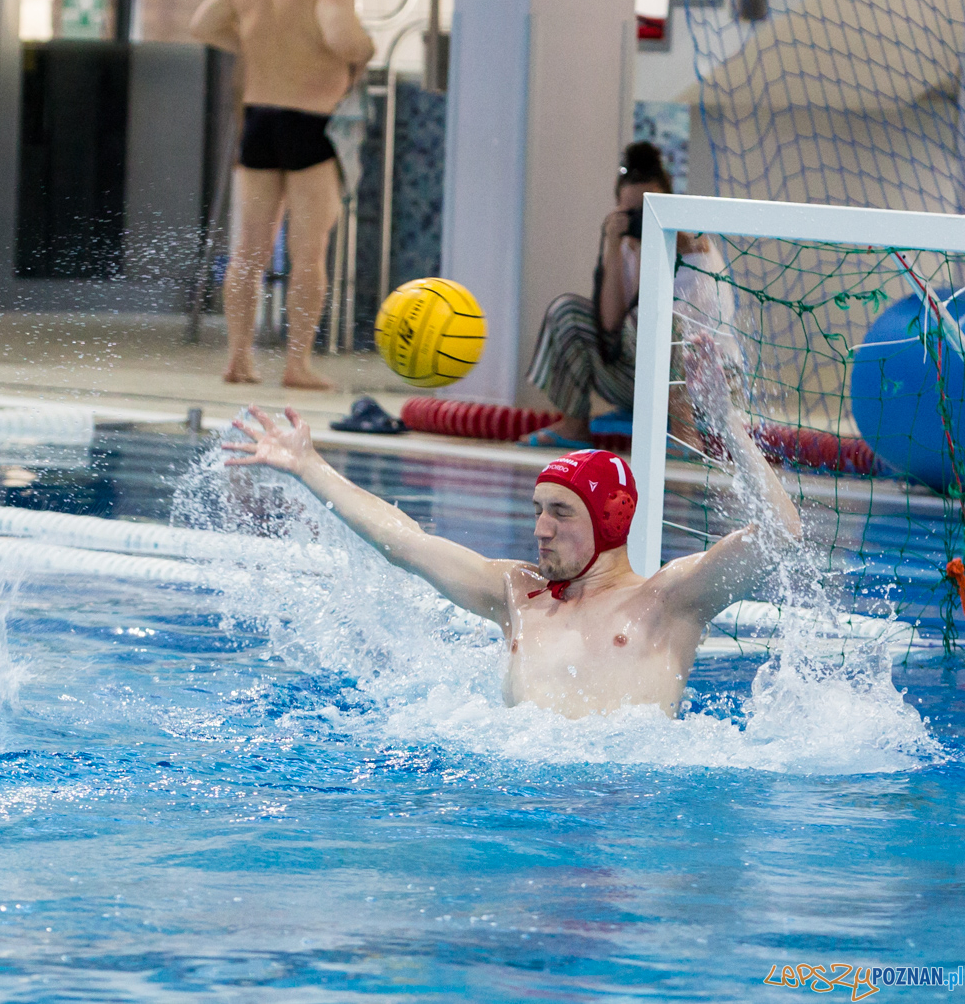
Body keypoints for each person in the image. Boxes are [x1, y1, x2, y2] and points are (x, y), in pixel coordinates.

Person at [222, 336, 801, 719]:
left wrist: (729, 425)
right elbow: (406, 542)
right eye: (537, 510)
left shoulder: (667, 602)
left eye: (561, 511)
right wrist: (309, 466)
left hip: (626, 803)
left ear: (609, 521)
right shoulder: (517, 594)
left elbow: (782, 537)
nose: (541, 529)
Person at [189, 0, 374, 391]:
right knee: (308, 251)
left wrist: (251, 43)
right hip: (308, 124)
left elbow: (202, 25)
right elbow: (347, 42)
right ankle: (297, 364)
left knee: (248, 250)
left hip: (259, 122)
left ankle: (237, 359)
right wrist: (364, 46)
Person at [521, 142, 717, 449]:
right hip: (638, 384)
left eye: (649, 210)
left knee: (655, 313)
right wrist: (614, 245)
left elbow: (677, 326)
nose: (642, 219)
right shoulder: (627, 249)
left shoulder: (696, 248)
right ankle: (574, 425)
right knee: (567, 309)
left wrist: (664, 234)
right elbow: (609, 326)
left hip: (705, 388)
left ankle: (684, 431)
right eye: (632, 212)